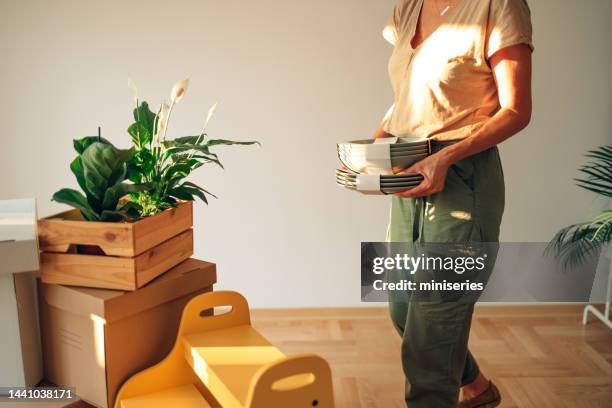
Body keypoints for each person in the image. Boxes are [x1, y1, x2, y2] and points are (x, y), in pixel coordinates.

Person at [374, 0, 533, 407]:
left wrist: (445, 157)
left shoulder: (498, 6)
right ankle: (476, 388)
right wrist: (377, 143)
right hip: (408, 167)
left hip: (463, 174)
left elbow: (515, 109)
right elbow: (410, 92)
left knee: (434, 316)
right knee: (402, 307)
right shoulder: (409, 7)